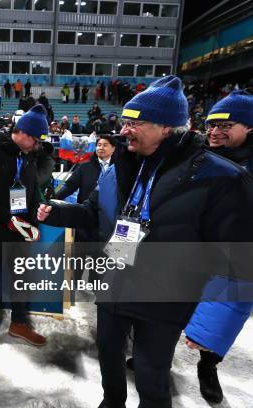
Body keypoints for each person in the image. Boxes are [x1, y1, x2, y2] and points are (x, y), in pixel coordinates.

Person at [38, 76, 252, 408]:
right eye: (124, 122)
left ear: (167, 127)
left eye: (133, 123)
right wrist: (56, 213)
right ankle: (112, 402)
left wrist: (211, 325)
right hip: (115, 283)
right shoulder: (121, 166)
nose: (123, 131)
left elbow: (237, 257)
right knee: (108, 354)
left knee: (152, 375)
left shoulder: (222, 176)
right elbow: (94, 212)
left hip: (165, 296)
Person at [183, 90, 253, 404]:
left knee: (223, 315)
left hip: (234, 253)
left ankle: (208, 367)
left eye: (226, 126)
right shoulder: (196, 155)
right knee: (173, 305)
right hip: (189, 246)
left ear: (249, 127)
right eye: (212, 124)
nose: (215, 131)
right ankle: (154, 355)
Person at [0, 104, 49, 351]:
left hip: (20, 231)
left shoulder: (27, 156)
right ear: (23, 132)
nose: (37, 145)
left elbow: (32, 190)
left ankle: (19, 322)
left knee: (21, 278)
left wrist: (32, 223)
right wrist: (7, 218)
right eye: (35, 139)